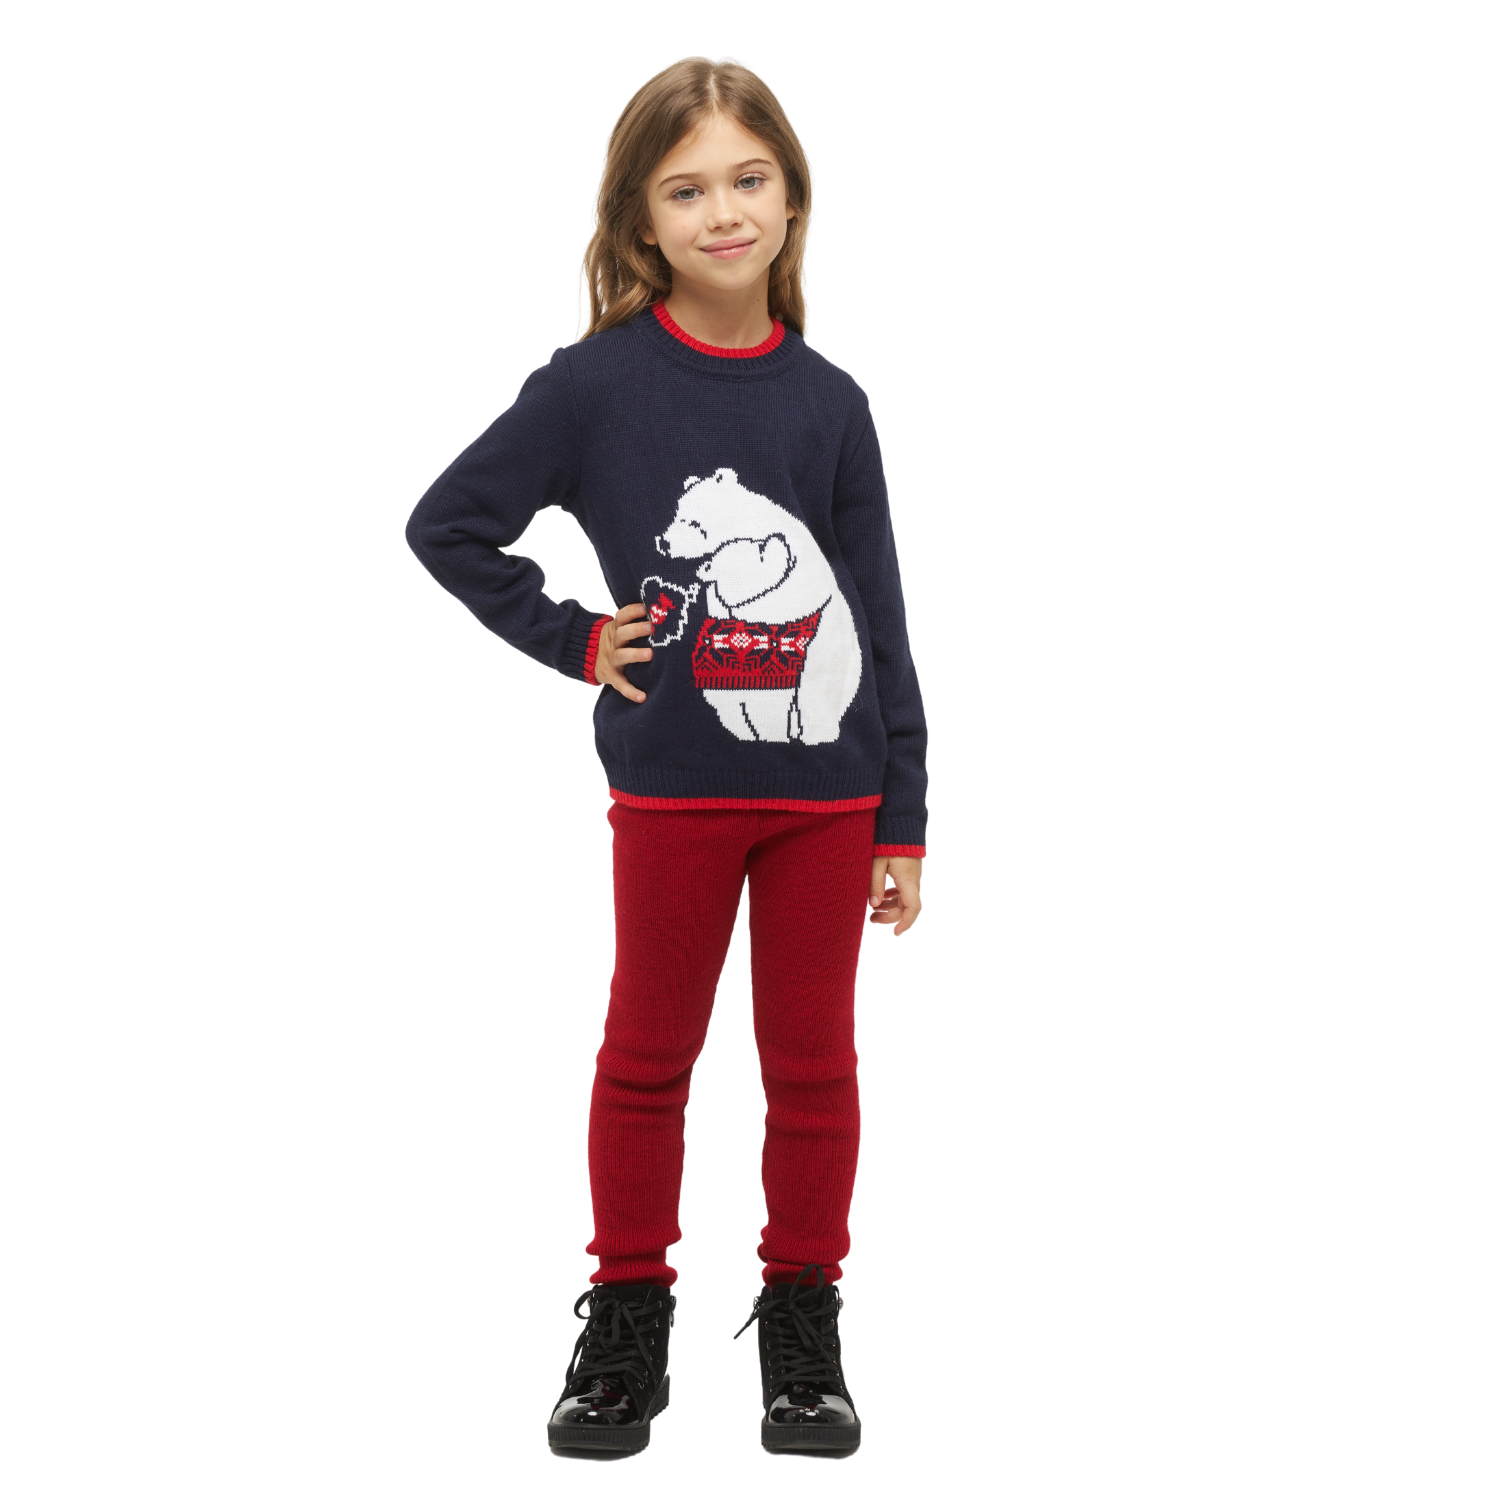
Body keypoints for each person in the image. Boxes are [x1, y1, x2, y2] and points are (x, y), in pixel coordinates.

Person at [405, 57, 927, 1457]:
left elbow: (879, 619)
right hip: (672, 795)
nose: (723, 212)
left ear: (793, 196)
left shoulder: (832, 403)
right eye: (686, 190)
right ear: (642, 220)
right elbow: (447, 526)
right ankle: (627, 1318)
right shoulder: (593, 388)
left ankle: (804, 1325)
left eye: (749, 179)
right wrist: (580, 640)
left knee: (812, 1067)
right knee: (647, 1056)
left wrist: (905, 814)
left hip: (830, 800)